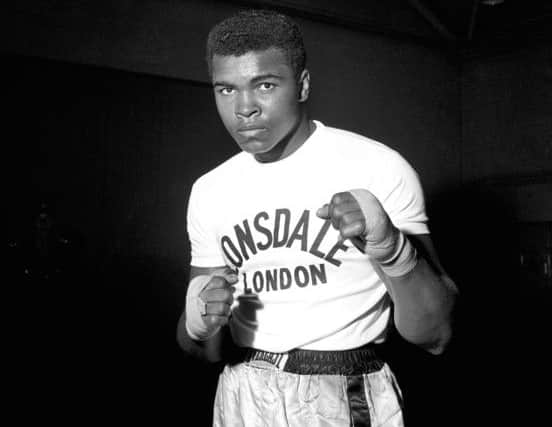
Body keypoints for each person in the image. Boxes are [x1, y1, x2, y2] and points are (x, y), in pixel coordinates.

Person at [177, 9, 458, 427]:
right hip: (241, 393)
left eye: (265, 85)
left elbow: (437, 334)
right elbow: (201, 348)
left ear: (303, 85)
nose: (245, 108)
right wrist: (197, 325)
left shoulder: (378, 168)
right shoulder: (209, 190)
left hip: (345, 392)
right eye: (226, 90)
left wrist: (393, 250)